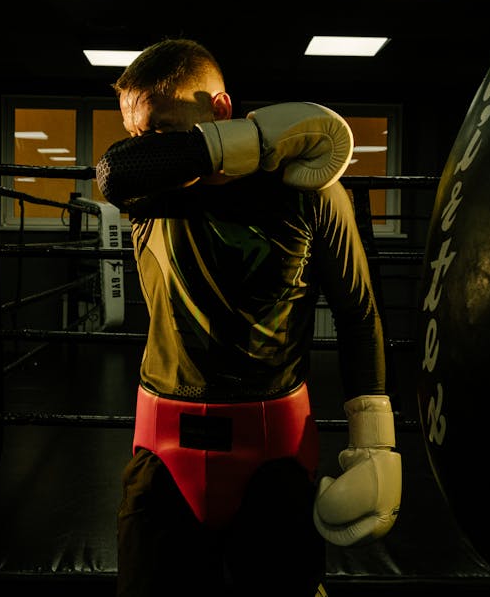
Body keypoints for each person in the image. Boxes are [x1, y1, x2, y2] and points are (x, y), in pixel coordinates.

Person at [95, 38, 401, 597]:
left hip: (273, 447)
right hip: (162, 448)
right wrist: (235, 143)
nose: (148, 146)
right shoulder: (151, 189)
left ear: (218, 107)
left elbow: (358, 313)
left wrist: (374, 443)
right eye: (137, 132)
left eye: (163, 127)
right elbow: (118, 171)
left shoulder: (308, 191)